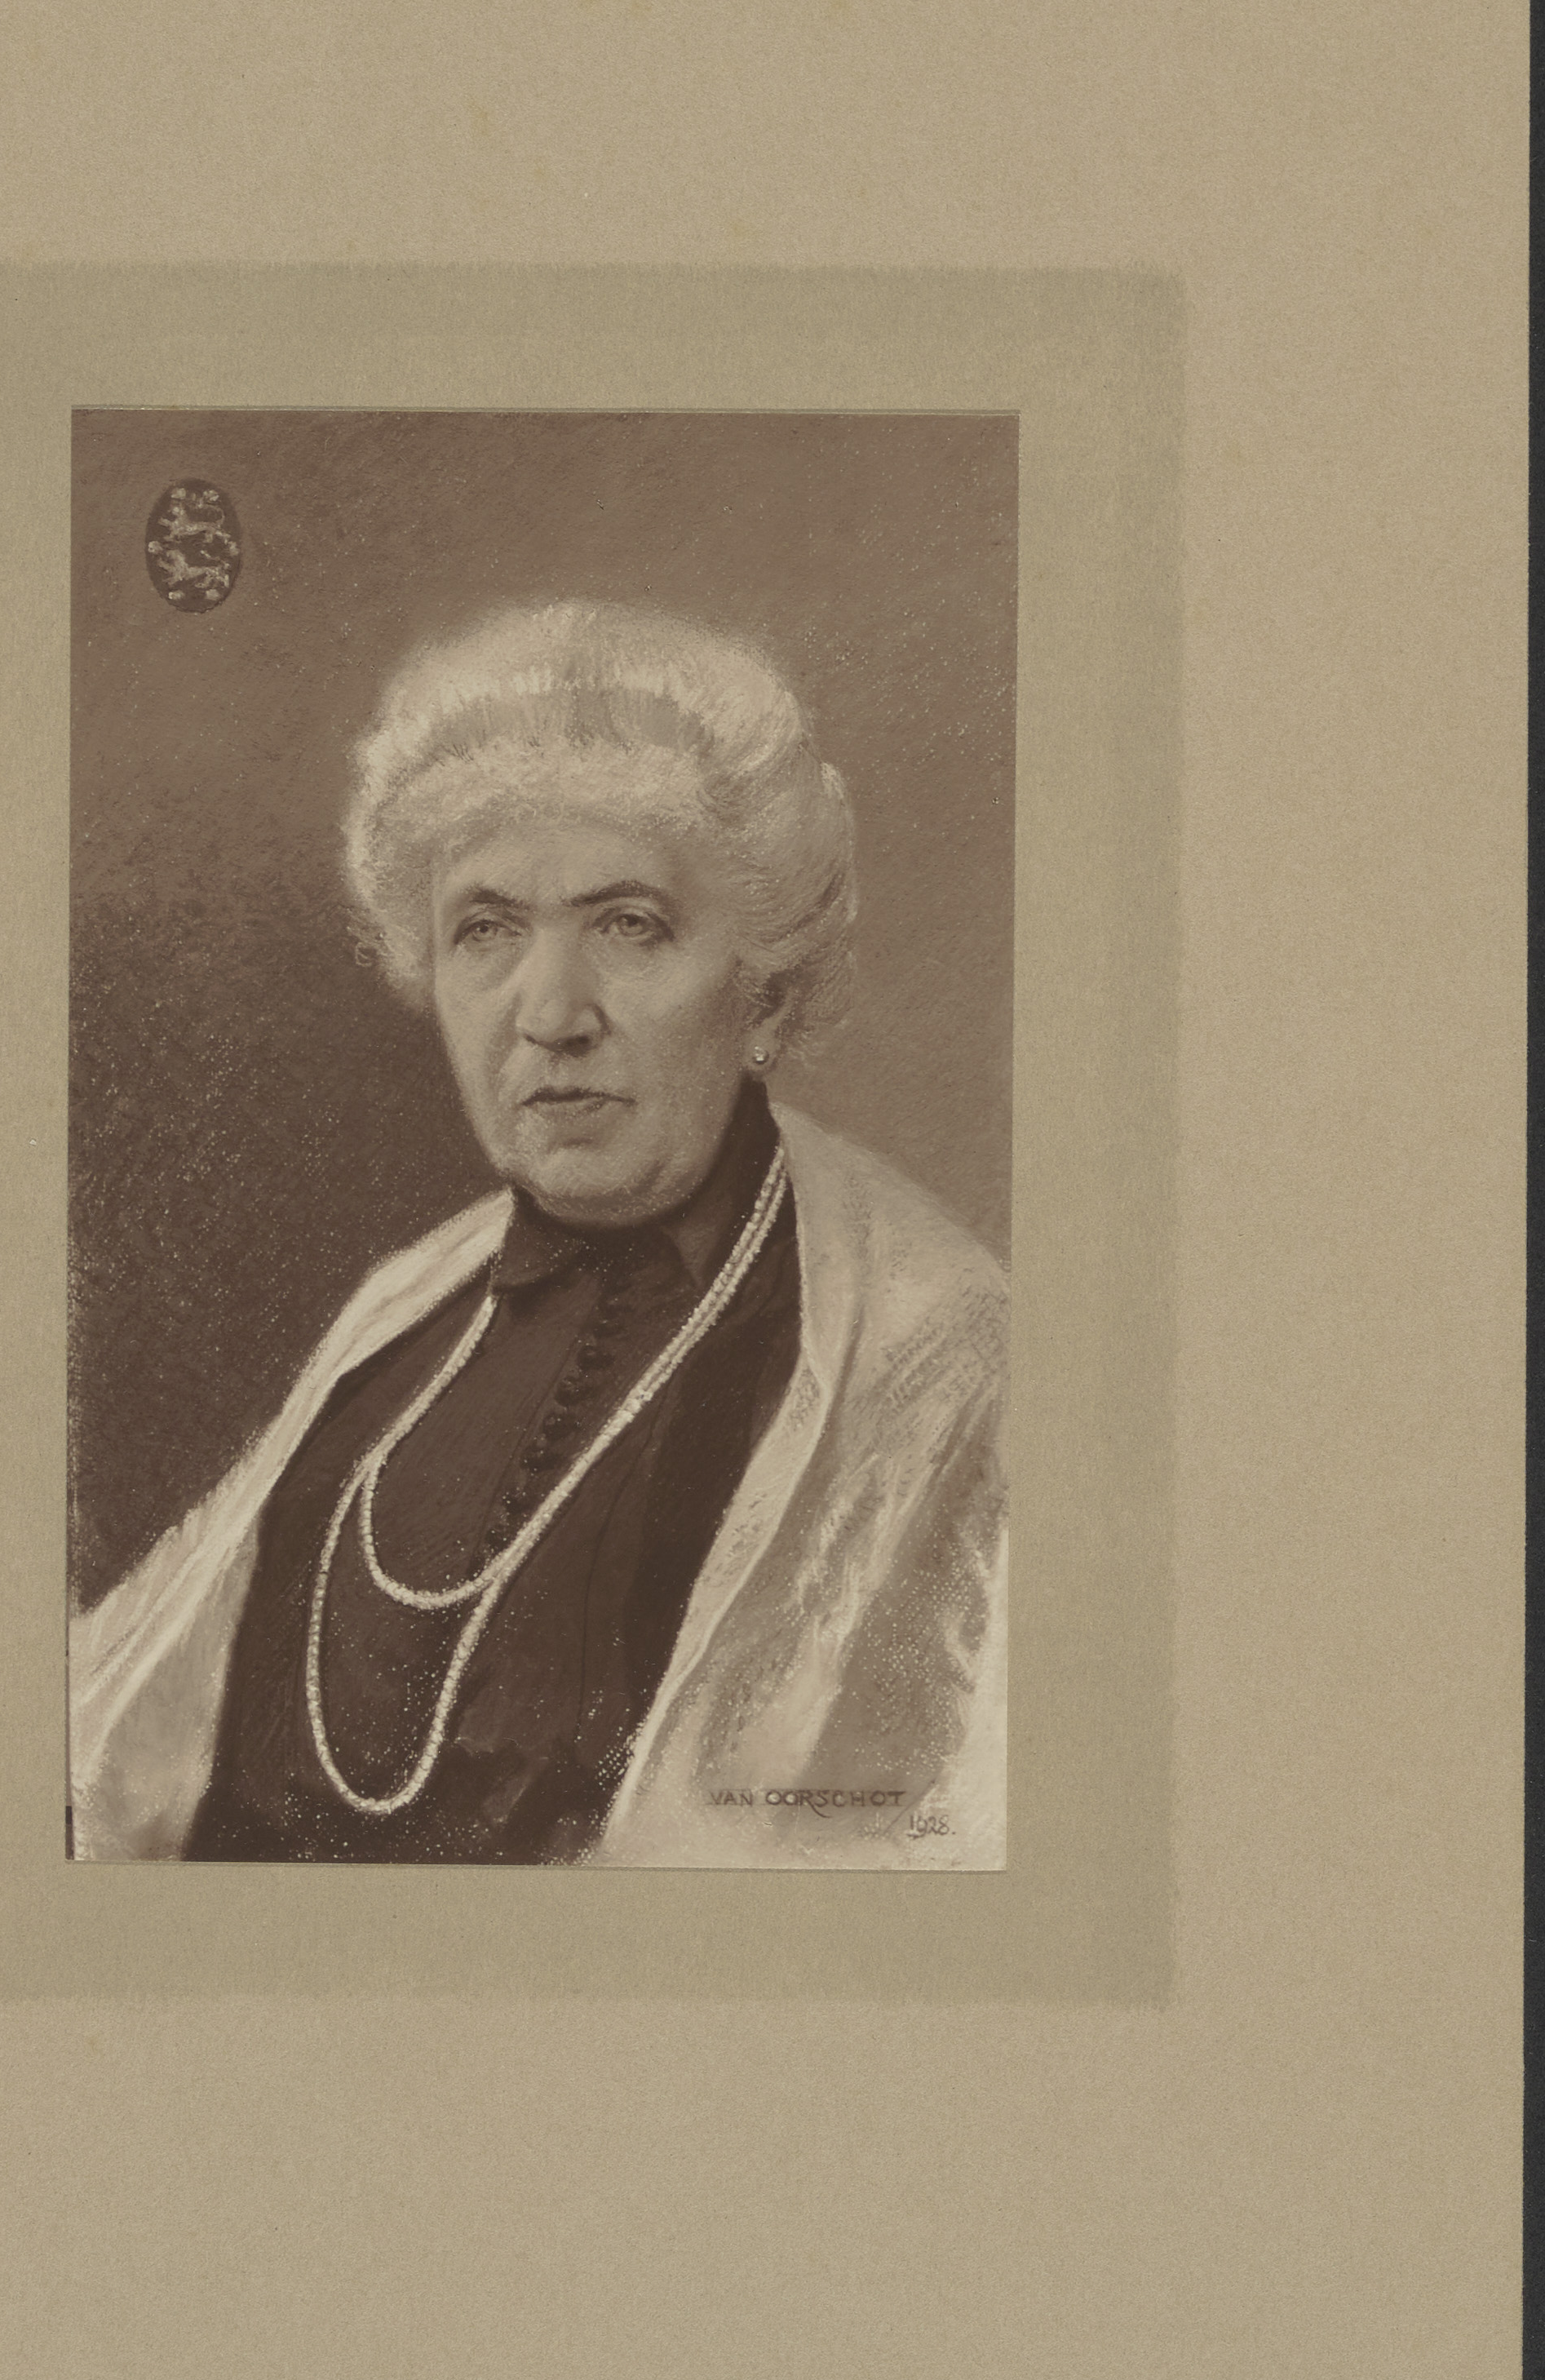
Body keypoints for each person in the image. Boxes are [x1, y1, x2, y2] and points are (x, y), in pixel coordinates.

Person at [70, 600, 1007, 1869]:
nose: (551, 1013)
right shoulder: (403, 1317)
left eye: (629, 925)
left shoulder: (942, 1353)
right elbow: (110, 1753)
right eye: (487, 930)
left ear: (765, 988)